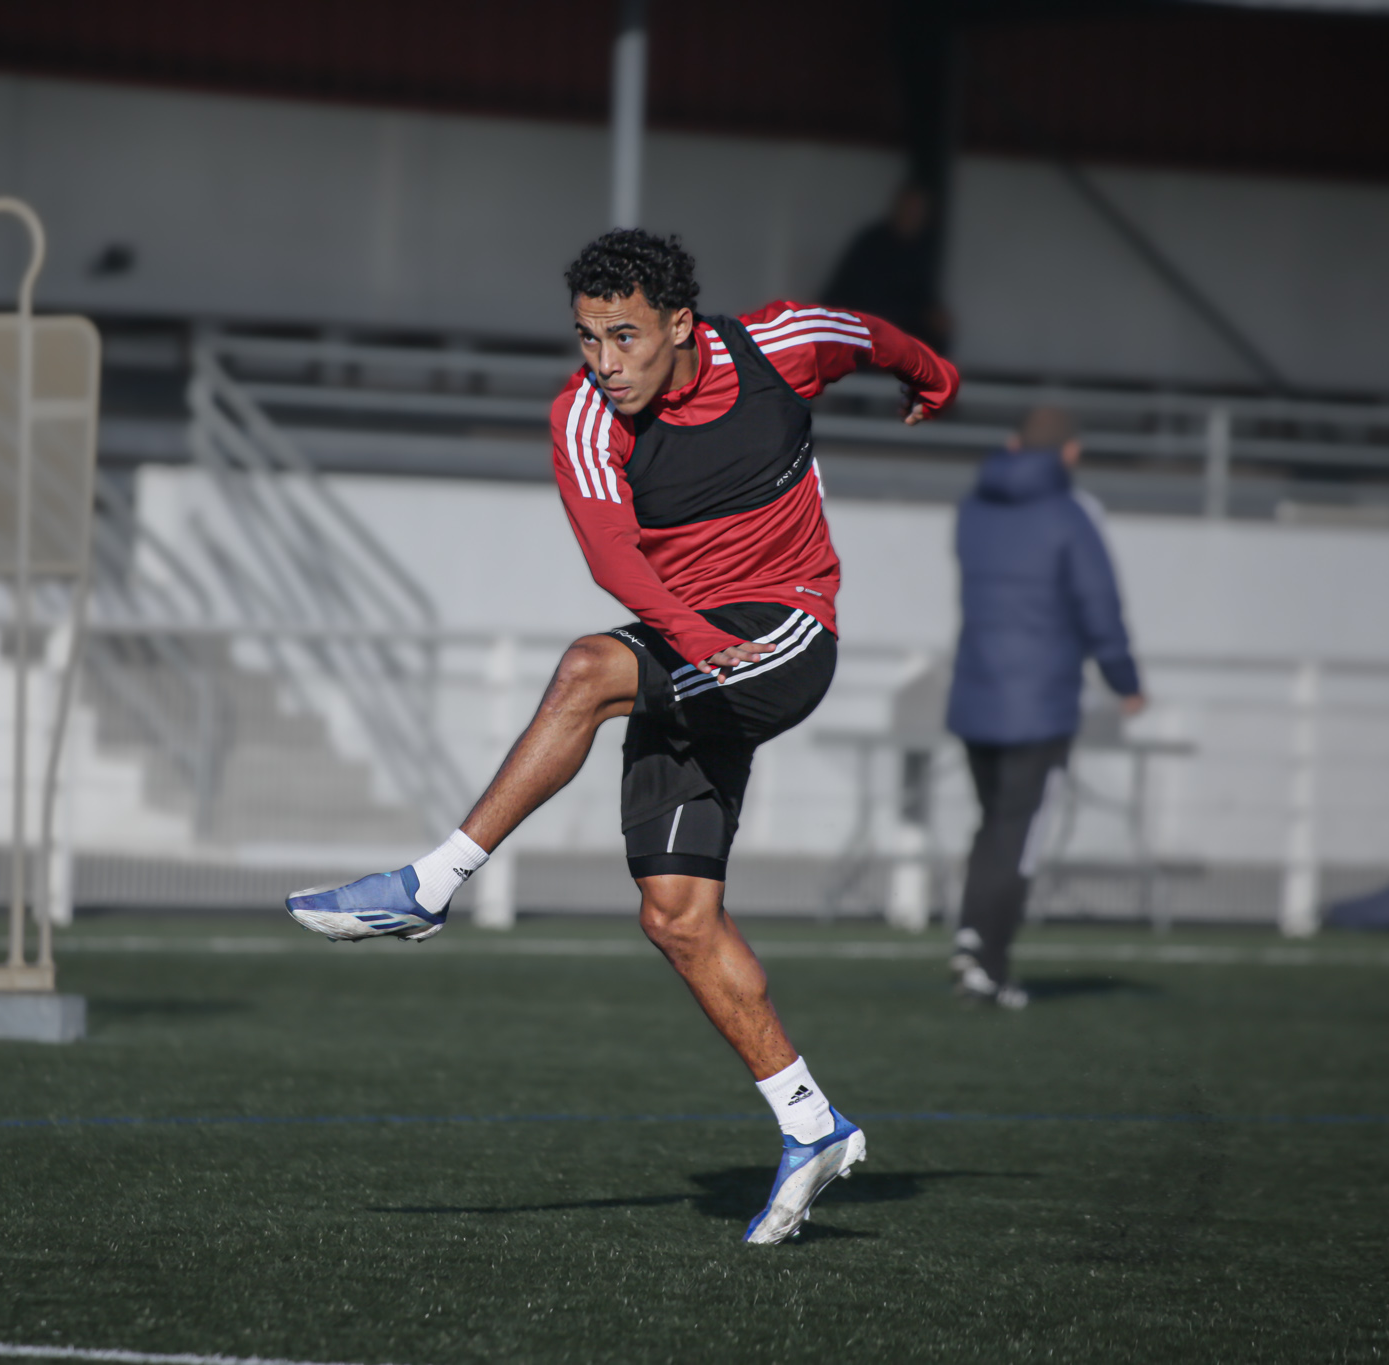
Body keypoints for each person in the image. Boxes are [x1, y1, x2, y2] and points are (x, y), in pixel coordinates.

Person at [287, 228, 958, 1244]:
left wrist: (933, 376)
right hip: (689, 652)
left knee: (586, 668)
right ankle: (809, 1124)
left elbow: (865, 335)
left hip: (784, 630)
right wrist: (687, 638)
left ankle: (430, 885)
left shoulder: (776, 345)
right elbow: (612, 557)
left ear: (680, 326)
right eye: (587, 338)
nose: (603, 362)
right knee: (675, 917)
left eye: (624, 337)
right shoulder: (584, 419)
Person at [945, 407, 1145, 1009]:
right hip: (1040, 701)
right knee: (1019, 835)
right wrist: (1124, 679)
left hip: (976, 692)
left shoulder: (972, 508)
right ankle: (990, 963)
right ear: (1072, 453)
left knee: (992, 826)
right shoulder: (1072, 515)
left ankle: (971, 935)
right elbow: (1098, 605)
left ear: (1012, 444)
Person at [820, 183, 951, 353]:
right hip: (857, 321)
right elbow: (869, 300)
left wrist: (933, 315)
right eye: (909, 209)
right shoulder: (872, 243)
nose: (912, 216)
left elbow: (921, 296)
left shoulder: (919, 250)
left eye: (918, 212)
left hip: (895, 325)